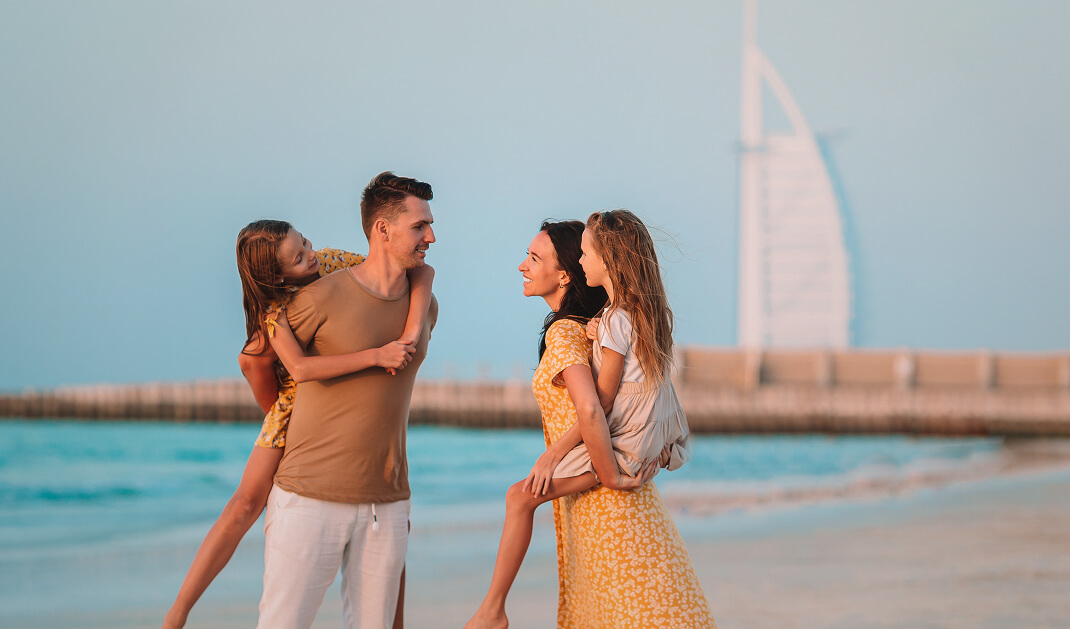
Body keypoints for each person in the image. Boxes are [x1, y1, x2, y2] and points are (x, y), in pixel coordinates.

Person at [162, 220, 433, 629]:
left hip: (334, 403)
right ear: (276, 275)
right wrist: (277, 411)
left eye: (304, 242)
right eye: (298, 256)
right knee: (243, 505)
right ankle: (178, 612)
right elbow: (268, 364)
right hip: (292, 399)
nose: (311, 254)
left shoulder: (332, 264)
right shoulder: (274, 312)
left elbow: (414, 273)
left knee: (391, 522)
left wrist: (412, 332)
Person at [466, 215, 715, 629]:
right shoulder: (609, 322)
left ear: (564, 277)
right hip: (625, 483)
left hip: (608, 491)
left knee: (519, 498)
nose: (521, 265)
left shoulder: (566, 335)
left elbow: (593, 406)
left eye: (533, 257)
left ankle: (493, 610)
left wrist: (558, 457)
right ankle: (492, 609)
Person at [255, 172, 438, 629]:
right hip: (308, 497)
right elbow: (255, 358)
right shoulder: (318, 296)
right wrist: (278, 415)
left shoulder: (426, 306)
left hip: (387, 502)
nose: (431, 237)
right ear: (383, 229)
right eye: (419, 226)